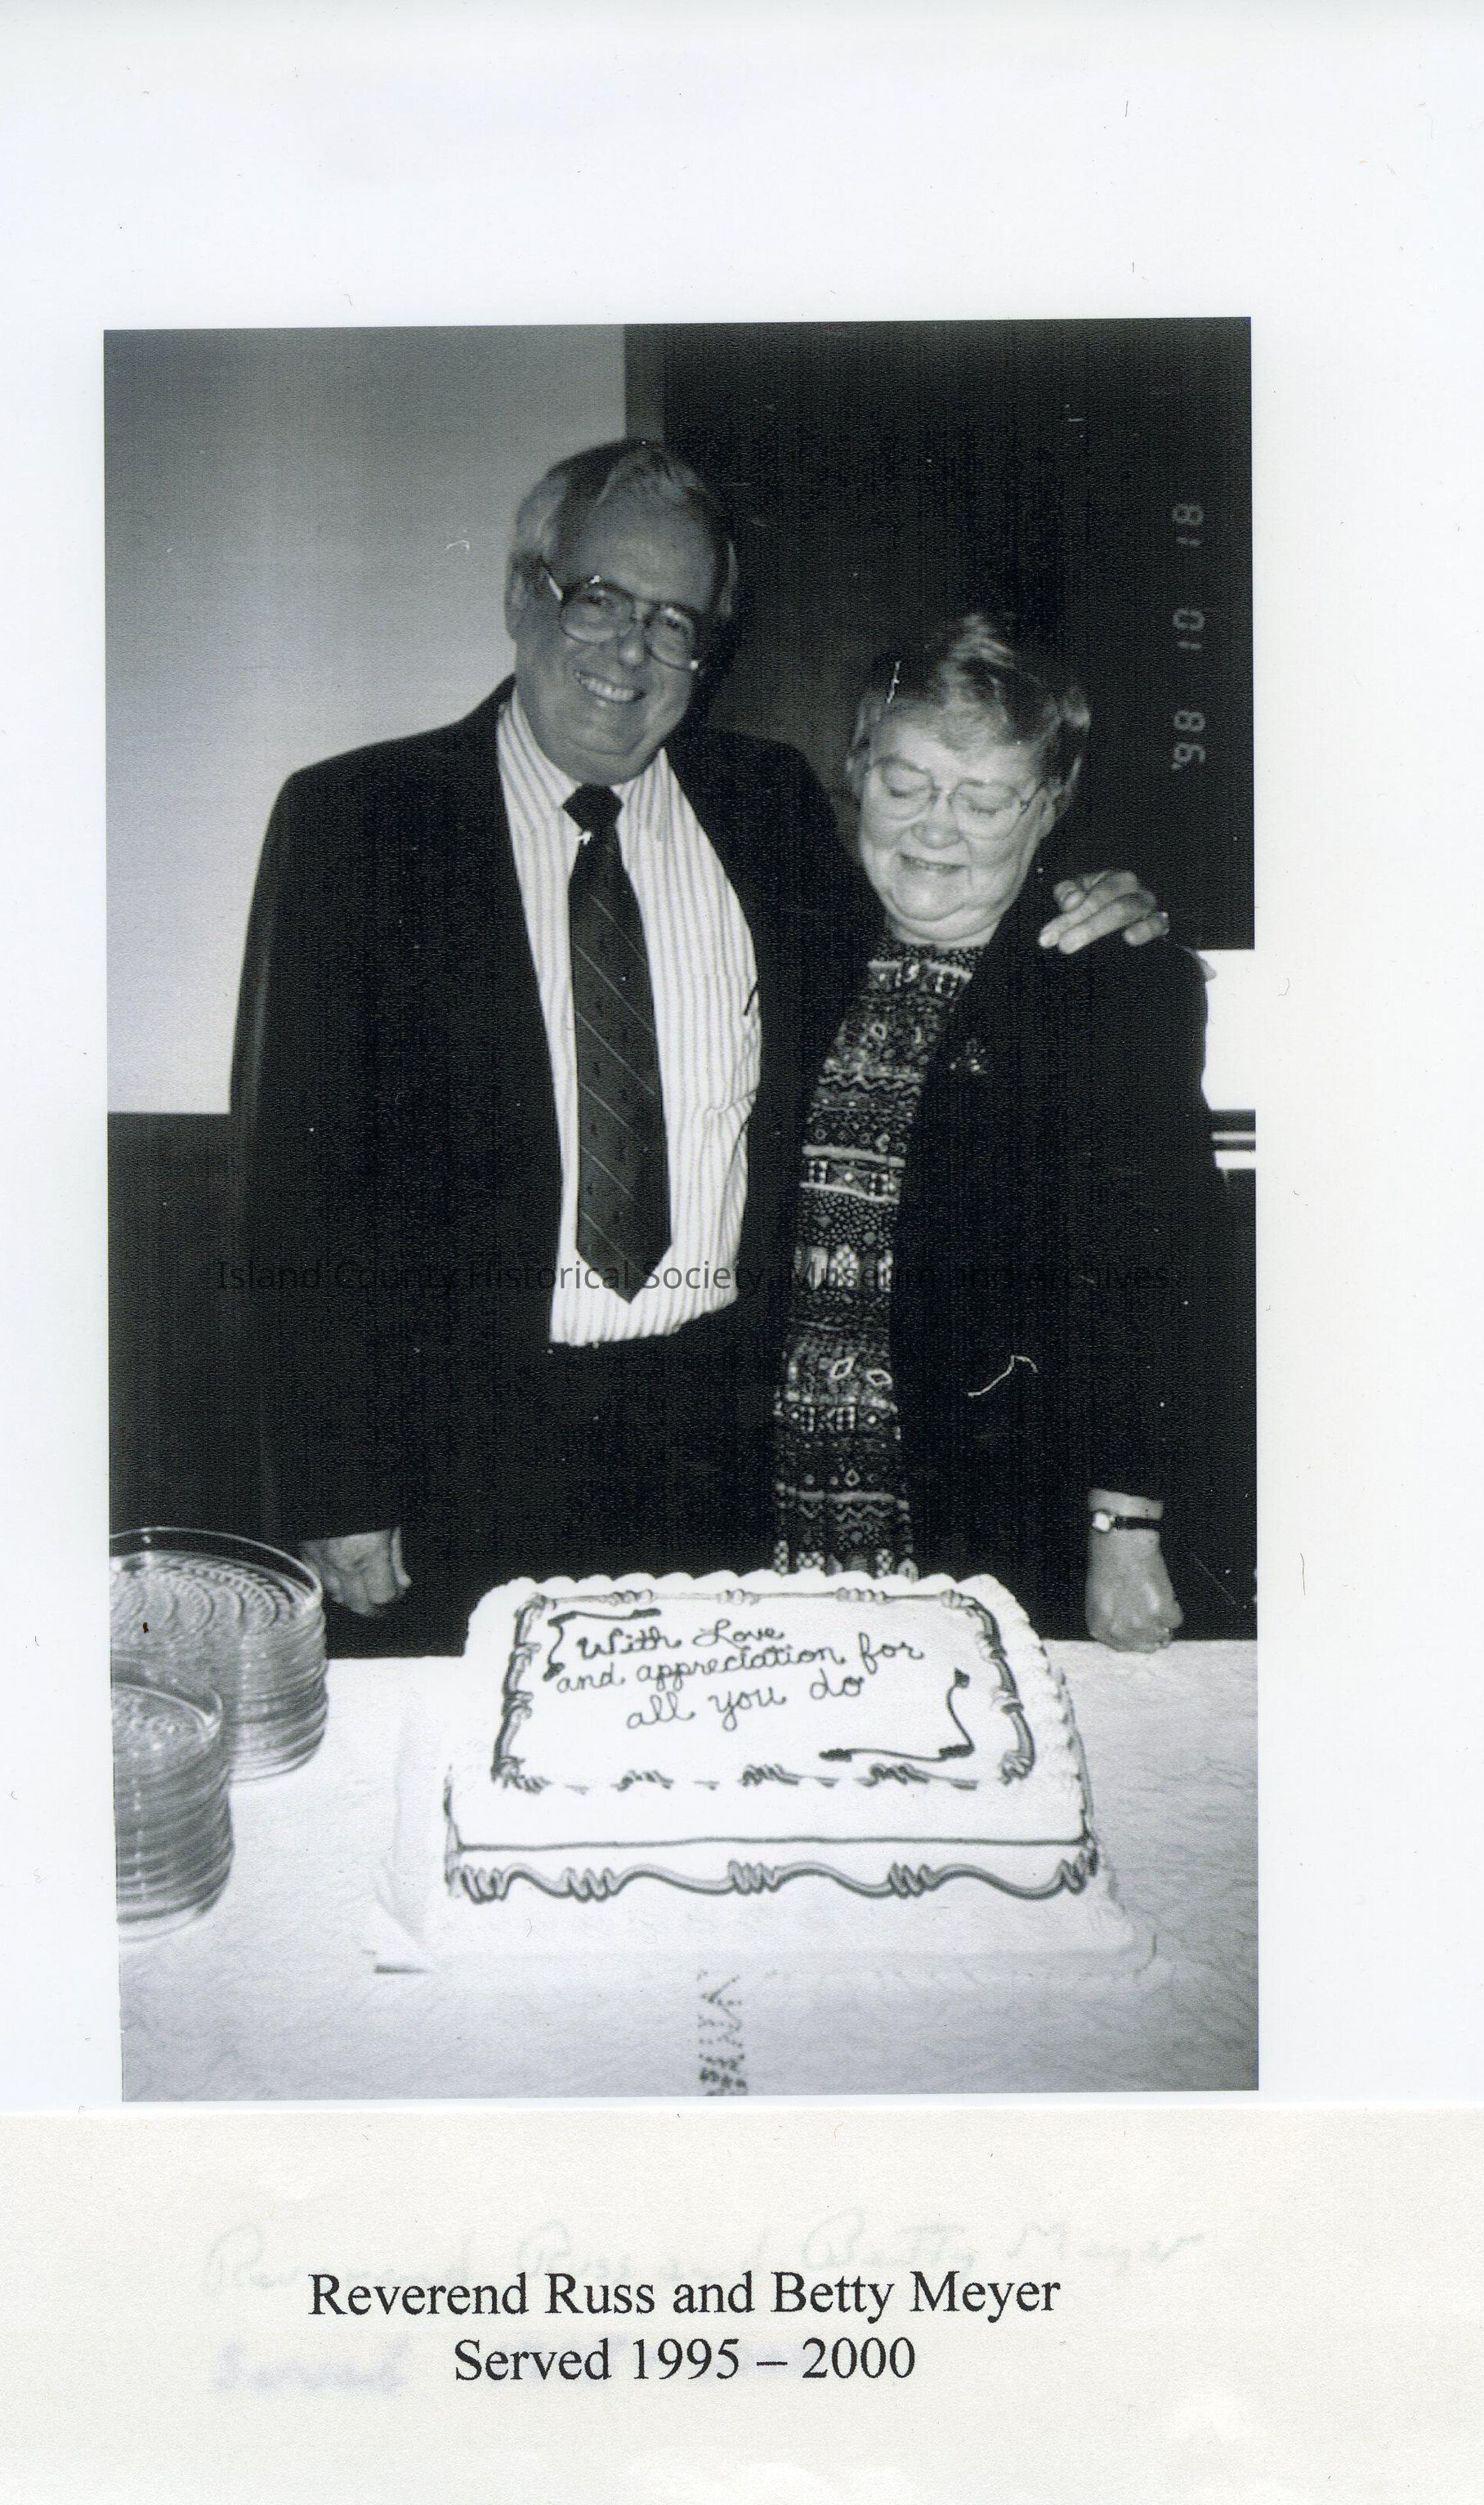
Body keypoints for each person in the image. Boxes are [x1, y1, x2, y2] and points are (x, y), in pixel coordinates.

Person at [232, 442, 1168, 1654]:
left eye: (673, 621)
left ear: (705, 651)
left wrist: (1091, 906)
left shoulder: (766, 805)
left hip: (728, 1445)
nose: (630, 650)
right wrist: (332, 1480)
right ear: (522, 593)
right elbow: (294, 1185)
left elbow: (942, 932)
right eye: (598, 599)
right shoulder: (359, 819)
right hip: (461, 1450)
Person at [770, 615, 1221, 1651]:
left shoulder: (1113, 984)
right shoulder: (793, 945)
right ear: (857, 770)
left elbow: (1164, 1270)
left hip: (994, 1501)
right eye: (905, 785)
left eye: (983, 801)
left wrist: (1125, 1526)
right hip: (780, 1498)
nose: (936, 829)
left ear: (1048, 805)